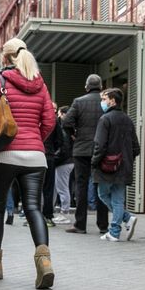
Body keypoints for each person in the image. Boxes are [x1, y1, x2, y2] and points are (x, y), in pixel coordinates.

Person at [0, 38, 56, 288]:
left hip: (6, 155)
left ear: (6, 58)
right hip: (36, 157)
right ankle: (44, 262)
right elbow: (50, 121)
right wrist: (34, 140)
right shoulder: (40, 85)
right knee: (33, 208)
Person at [93, 88, 141, 241]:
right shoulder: (128, 119)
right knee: (118, 199)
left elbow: (99, 145)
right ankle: (120, 225)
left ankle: (119, 226)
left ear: (113, 101)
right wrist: (126, 158)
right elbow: (136, 147)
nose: (102, 102)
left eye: (104, 99)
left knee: (103, 194)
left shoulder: (105, 119)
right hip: (123, 166)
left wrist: (94, 162)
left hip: (107, 166)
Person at [63, 74, 108, 234]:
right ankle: (103, 225)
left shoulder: (78, 102)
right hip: (101, 149)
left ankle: (80, 224)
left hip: (81, 149)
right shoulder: (105, 102)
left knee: (81, 185)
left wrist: (74, 135)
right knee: (100, 185)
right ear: (101, 87)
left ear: (86, 87)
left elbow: (66, 122)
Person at [52, 105, 74, 223]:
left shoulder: (64, 128)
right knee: (59, 187)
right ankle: (61, 212)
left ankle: (64, 213)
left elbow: (63, 149)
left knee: (62, 188)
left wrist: (55, 159)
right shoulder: (69, 127)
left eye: (59, 113)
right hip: (67, 161)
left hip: (64, 162)